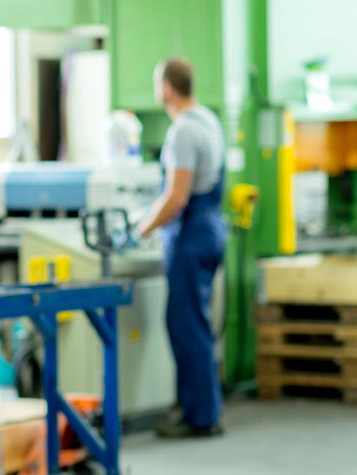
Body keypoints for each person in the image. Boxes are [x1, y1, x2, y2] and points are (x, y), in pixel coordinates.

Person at [136, 57, 226, 438]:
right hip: (210, 230)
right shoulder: (208, 120)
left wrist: (142, 228)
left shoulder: (183, 132)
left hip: (190, 237)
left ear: (167, 88)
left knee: (187, 327)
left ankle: (199, 417)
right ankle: (201, 408)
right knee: (197, 324)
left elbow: (176, 198)